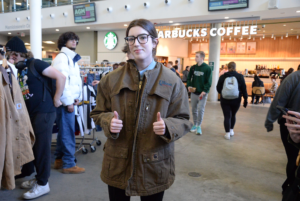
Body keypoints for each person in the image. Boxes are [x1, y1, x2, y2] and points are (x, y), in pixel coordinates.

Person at [90, 18, 192, 201]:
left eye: (142, 37)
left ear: (154, 42)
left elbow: (184, 118)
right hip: (117, 161)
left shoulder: (172, 81)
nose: (136, 43)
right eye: (131, 39)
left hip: (154, 163)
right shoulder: (110, 80)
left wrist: (168, 126)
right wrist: (108, 121)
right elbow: (98, 113)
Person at [5, 36, 66, 199]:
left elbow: (61, 77)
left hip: (44, 111)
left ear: (19, 53)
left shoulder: (36, 63)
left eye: (12, 54)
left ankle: (43, 183)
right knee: (32, 145)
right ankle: (37, 178)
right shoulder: (21, 68)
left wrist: (57, 99)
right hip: (30, 113)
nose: (10, 57)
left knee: (42, 148)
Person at [52, 32, 85, 174]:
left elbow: (73, 82)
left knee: (64, 132)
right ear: (64, 41)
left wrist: (76, 97)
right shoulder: (62, 57)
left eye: (76, 40)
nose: (74, 42)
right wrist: (68, 101)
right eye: (71, 39)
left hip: (69, 101)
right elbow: (61, 81)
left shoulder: (70, 58)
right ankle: (68, 164)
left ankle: (59, 160)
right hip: (66, 103)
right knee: (68, 132)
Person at [265, 70, 300, 195]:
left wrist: (269, 121)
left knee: (292, 158)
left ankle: (291, 188)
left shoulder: (293, 78)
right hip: (291, 125)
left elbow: (278, 102)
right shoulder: (293, 78)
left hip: (290, 125)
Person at [216, 62, 248, 140]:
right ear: (235, 67)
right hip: (236, 99)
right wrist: (245, 99)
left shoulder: (223, 77)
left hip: (225, 99)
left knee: (227, 116)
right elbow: (244, 89)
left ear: (227, 67)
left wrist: (223, 93)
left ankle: (227, 134)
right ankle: (231, 131)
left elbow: (218, 88)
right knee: (233, 115)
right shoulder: (240, 76)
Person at [187, 51, 212, 135]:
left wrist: (204, 91)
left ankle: (199, 126)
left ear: (202, 58)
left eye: (197, 56)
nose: (195, 58)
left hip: (202, 94)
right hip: (194, 93)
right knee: (194, 109)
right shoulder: (193, 67)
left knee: (200, 109)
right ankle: (195, 124)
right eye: (195, 56)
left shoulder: (207, 68)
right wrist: (189, 86)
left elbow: (209, 82)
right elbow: (188, 78)